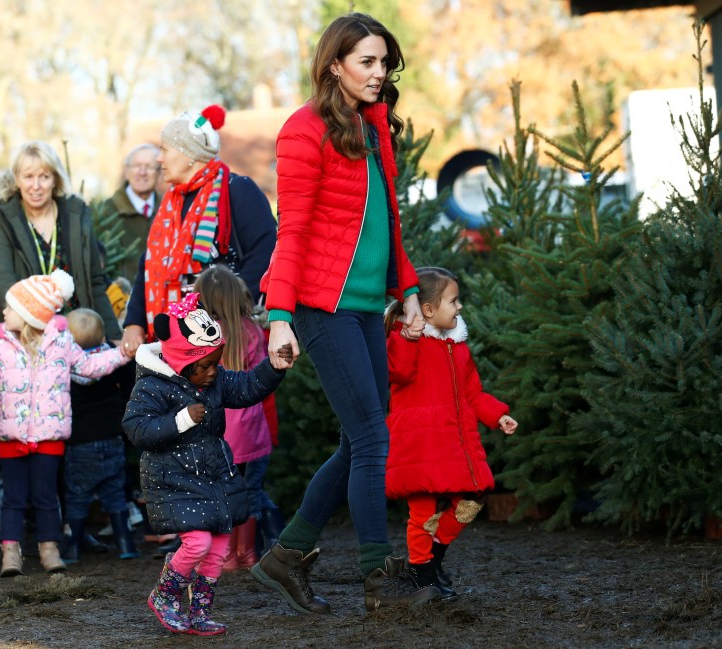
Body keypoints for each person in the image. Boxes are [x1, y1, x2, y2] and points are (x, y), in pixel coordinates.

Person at [251, 12, 438, 614]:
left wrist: (405, 291)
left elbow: (389, 221)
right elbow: (294, 230)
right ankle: (379, 578)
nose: (379, 73)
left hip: (363, 306)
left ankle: (287, 556)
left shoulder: (373, 126)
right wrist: (280, 314)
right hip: (319, 305)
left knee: (361, 438)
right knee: (371, 438)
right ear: (335, 64)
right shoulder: (303, 131)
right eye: (366, 61)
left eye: (385, 63)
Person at [122, 292, 290, 636]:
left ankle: (200, 610)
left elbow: (246, 387)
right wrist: (181, 419)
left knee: (217, 547)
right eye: (205, 366)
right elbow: (137, 429)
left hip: (212, 474)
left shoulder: (213, 380)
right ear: (182, 362)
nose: (213, 372)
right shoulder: (152, 386)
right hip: (173, 480)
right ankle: (165, 595)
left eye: (216, 363)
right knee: (197, 543)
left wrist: (273, 368)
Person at [0, 270, 131, 577]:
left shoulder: (61, 343)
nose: (4, 313)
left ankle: (48, 548)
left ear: (29, 315)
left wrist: (120, 355)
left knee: (46, 495)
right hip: (12, 435)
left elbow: (89, 366)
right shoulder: (0, 347)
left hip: (49, 434)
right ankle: (10, 552)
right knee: (13, 497)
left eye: (11, 308)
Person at [384, 267, 518, 600]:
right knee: (422, 513)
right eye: (453, 301)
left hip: (455, 442)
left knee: (471, 500)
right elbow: (397, 372)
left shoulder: (458, 348)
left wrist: (497, 415)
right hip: (421, 444)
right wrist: (405, 334)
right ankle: (421, 572)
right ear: (427, 309)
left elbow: (473, 393)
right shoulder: (407, 343)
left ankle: (433, 559)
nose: (459, 308)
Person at [119, 105, 277, 358]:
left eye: (164, 150)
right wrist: (134, 323)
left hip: (226, 339)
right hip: (172, 341)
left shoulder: (237, 190)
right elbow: (148, 266)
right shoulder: (170, 205)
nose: (159, 159)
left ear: (187, 153)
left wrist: (228, 310)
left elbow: (265, 253)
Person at [0, 141, 120, 342]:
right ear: (17, 179)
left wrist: (114, 335)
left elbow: (95, 282)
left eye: (44, 177)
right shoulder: (2, 221)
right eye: (28, 177)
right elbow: (2, 283)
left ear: (55, 179)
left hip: (78, 334)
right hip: (27, 334)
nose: (36, 186)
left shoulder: (76, 215)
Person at [193, 265, 277, 571]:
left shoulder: (204, 335)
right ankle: (248, 554)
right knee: (251, 492)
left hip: (221, 433)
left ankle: (227, 556)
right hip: (254, 432)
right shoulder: (252, 331)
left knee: (222, 495)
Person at [61, 308, 138, 564]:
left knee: (78, 495)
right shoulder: (111, 361)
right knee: (115, 493)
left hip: (79, 443)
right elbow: (128, 380)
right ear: (103, 335)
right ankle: (126, 543)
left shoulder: (64, 368)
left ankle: (72, 547)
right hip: (111, 438)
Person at [98, 144, 162, 282]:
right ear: (127, 171)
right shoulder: (106, 212)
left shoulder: (169, 209)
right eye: (137, 166)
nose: (142, 172)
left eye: (150, 167)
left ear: (159, 172)